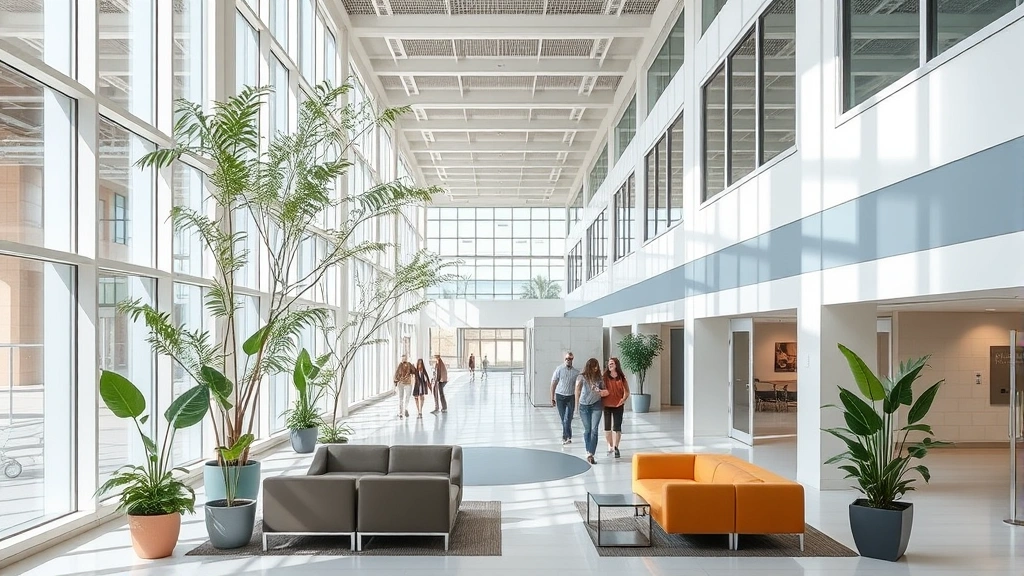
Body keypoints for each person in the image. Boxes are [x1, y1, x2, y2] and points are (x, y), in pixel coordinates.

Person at [575, 358, 608, 465]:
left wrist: (599, 390)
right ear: (589, 366)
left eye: (596, 366)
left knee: (594, 429)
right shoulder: (582, 376)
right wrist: (577, 406)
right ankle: (588, 449)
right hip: (584, 406)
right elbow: (577, 390)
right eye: (593, 366)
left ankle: (591, 453)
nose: (595, 368)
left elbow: (605, 391)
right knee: (587, 429)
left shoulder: (600, 378)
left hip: (596, 405)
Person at [603, 357, 630, 459]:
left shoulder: (622, 377)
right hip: (607, 405)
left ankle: (616, 447)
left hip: (618, 405)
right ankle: (610, 445)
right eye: (609, 363)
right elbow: (601, 388)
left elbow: (627, 391)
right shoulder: (604, 376)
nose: (610, 365)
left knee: (617, 427)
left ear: (616, 365)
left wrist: (623, 400)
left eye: (612, 363)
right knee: (607, 427)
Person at [550, 352, 580, 445]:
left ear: (572, 360)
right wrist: (552, 397)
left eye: (570, 359)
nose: (568, 360)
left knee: (568, 418)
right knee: (563, 418)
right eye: (567, 358)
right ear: (564, 359)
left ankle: (566, 436)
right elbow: (553, 383)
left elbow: (578, 387)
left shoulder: (576, 373)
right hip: (560, 396)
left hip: (570, 397)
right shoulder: (559, 369)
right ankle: (567, 436)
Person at [393, 354, 415, 419]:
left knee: (406, 397)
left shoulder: (409, 364)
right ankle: (401, 412)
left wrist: (412, 367)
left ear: (407, 359)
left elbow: (414, 371)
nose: (404, 360)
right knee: (401, 398)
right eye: (403, 359)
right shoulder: (400, 365)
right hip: (402, 383)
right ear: (401, 359)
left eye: (405, 358)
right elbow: (396, 374)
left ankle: (405, 409)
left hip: (407, 383)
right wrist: (395, 382)